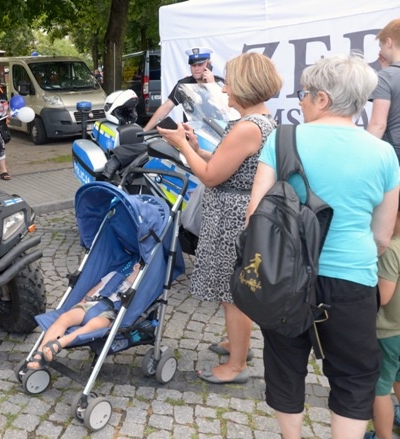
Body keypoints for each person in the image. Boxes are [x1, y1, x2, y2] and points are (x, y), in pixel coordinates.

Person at [246, 53, 399, 439]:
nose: (300, 100)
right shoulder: (384, 154)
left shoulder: (281, 139)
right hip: (351, 280)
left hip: (284, 277)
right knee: (353, 374)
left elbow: (255, 217)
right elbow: (383, 236)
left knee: (284, 363)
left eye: (305, 94)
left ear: (323, 99)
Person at [158, 52, 281, 384]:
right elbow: (228, 163)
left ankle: (237, 364)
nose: (224, 90)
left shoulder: (247, 127)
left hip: (233, 218)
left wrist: (182, 146)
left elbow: (212, 176)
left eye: (229, 84)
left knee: (233, 293)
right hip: (235, 212)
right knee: (235, 288)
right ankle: (237, 344)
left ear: (244, 86)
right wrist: (197, 148)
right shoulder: (260, 121)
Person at [28, 262, 140, 369]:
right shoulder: (114, 275)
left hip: (108, 313)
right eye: (140, 269)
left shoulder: (138, 290)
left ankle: (58, 344)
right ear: (135, 267)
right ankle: (40, 353)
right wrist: (83, 301)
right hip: (92, 304)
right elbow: (96, 288)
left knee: (97, 324)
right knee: (64, 318)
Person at [365, 199, 400, 439]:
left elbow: (383, 296)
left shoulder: (391, 250)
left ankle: (383, 436)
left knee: (379, 390)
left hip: (386, 332)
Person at [144, 47, 224, 131]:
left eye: (200, 65)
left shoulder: (220, 83)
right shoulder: (184, 84)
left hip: (217, 132)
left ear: (209, 64)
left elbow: (226, 110)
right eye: (193, 65)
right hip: (193, 134)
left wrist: (212, 85)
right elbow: (166, 108)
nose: (196, 68)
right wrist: (144, 131)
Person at [367, 19, 400, 162]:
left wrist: (362, 153)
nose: (380, 52)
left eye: (380, 46)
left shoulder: (385, 77)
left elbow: (378, 124)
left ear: (389, 42)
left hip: (394, 153)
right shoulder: (387, 75)